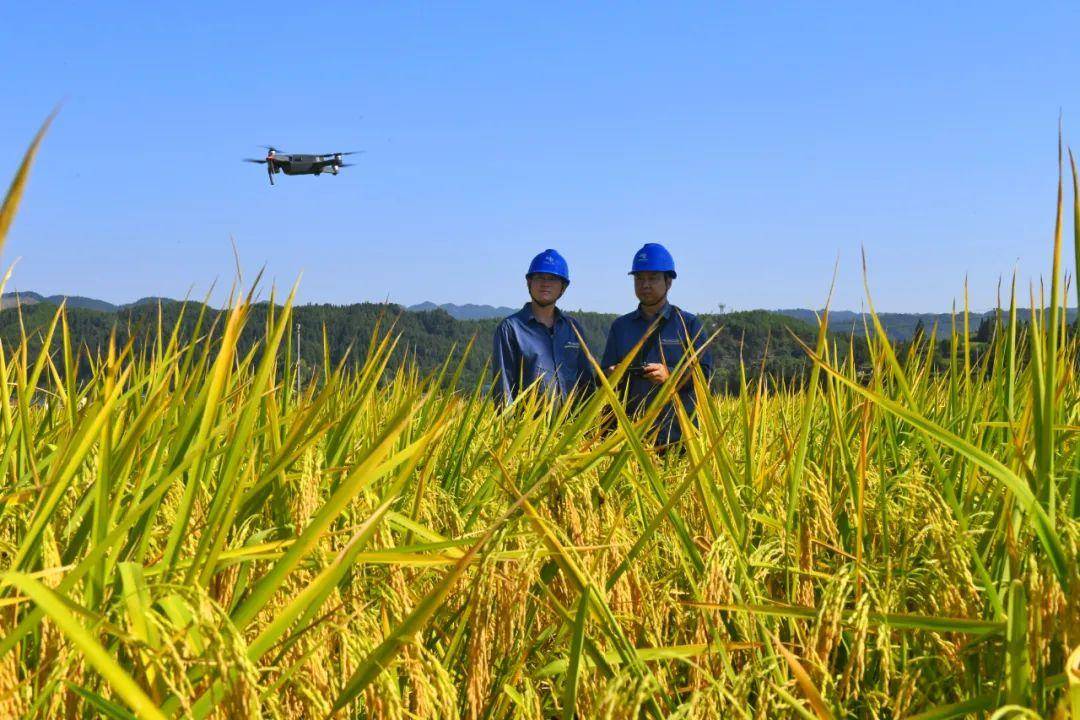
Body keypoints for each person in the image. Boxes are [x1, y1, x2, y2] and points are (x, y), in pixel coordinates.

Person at [601, 243, 712, 445]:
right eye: (639, 278)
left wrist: (670, 375)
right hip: (629, 438)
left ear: (668, 281)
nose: (645, 285)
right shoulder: (621, 326)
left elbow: (704, 374)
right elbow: (602, 376)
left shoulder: (688, 324)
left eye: (652, 278)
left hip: (678, 437)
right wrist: (611, 373)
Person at [492, 249, 594, 405]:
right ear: (529, 282)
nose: (545, 283)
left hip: (571, 425)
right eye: (539, 277)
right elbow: (503, 387)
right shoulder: (511, 329)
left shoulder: (573, 329)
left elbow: (586, 383)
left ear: (563, 287)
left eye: (552, 279)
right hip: (526, 426)